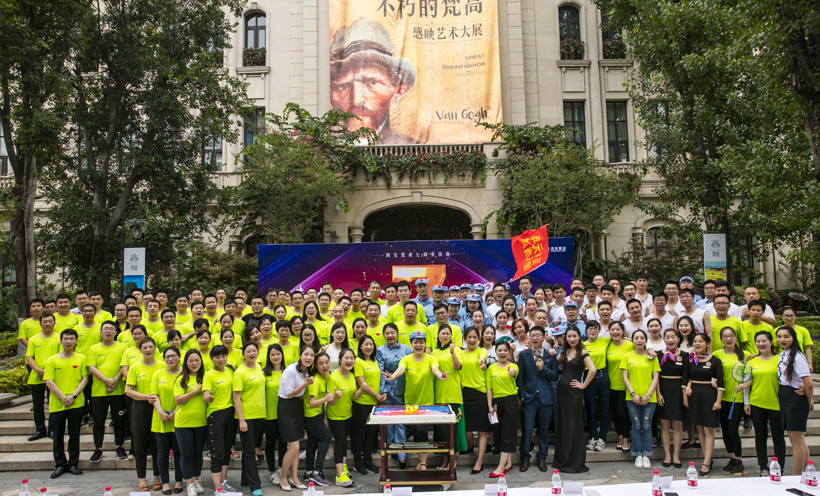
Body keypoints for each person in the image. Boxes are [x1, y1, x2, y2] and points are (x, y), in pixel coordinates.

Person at [383, 331, 449, 471]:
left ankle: (424, 464)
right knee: (415, 433)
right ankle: (420, 461)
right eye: (415, 342)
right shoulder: (406, 359)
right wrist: (393, 376)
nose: (418, 345)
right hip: (410, 403)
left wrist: (439, 375)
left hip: (426, 404)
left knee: (422, 432)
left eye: (421, 342)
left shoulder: (431, 358)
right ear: (411, 344)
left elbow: (435, 369)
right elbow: (401, 369)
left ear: (425, 344)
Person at [735, 330, 784, 477]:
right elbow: (746, 383)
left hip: (776, 404)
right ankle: (763, 467)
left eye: (764, 341)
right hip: (756, 403)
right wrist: (746, 403)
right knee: (760, 437)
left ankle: (779, 468)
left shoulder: (780, 360)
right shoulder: (752, 361)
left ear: (771, 342)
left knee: (778, 438)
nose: (761, 344)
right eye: (758, 341)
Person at [44, 328, 88, 479]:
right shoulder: (52, 360)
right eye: (66, 339)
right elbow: (49, 381)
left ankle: (73, 463)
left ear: (76, 341)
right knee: (58, 435)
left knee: (74, 434)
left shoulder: (81, 358)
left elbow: (84, 379)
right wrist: (64, 397)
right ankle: (60, 464)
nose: (68, 341)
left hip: (76, 402)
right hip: (57, 404)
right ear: (61, 340)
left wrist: (73, 396)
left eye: (71, 339)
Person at [516, 326, 559, 472]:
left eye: (538, 335)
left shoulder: (550, 355)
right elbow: (520, 377)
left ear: (543, 337)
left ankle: (542, 458)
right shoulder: (524, 355)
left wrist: (543, 368)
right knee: (527, 430)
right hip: (529, 398)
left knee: (544, 430)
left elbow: (554, 376)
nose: (534, 338)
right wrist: (522, 395)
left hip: (546, 398)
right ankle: (525, 458)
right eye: (532, 335)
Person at [553, 326, 594, 473]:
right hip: (562, 392)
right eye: (569, 336)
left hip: (574, 393)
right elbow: (554, 362)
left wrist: (583, 385)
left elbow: (593, 369)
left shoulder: (582, 352)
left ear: (579, 337)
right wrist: (552, 351)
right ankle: (563, 458)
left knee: (574, 424)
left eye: (574, 336)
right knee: (564, 423)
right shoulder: (565, 352)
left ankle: (574, 461)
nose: (572, 339)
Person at [125, 337, 163, 491]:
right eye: (145, 347)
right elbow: (129, 391)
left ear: (155, 348)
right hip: (140, 407)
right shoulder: (135, 367)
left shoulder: (162, 366)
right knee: (140, 445)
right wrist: (145, 397)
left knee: (157, 445)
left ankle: (157, 477)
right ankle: (142, 479)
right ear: (140, 350)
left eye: (151, 347)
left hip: (157, 407)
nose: (148, 350)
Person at [87, 320, 128, 462]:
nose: (108, 331)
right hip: (99, 392)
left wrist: (114, 381)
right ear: (100, 332)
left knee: (119, 420)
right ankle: (98, 448)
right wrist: (107, 381)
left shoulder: (122, 347)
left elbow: (124, 366)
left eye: (111, 329)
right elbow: (91, 368)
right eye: (105, 329)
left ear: (116, 332)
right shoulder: (94, 349)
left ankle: (119, 446)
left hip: (118, 390)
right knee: (99, 421)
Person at [684, 333, 723, 477]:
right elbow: (687, 378)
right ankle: (708, 458)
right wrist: (688, 389)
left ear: (707, 343)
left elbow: (721, 383)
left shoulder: (715, 361)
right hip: (695, 397)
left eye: (700, 341)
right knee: (700, 429)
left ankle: (706, 462)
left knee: (708, 430)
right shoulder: (690, 360)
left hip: (709, 397)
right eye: (695, 341)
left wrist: (718, 401)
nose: (697, 344)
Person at [620, 330, 661, 469]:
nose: (639, 340)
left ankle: (647, 454)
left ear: (645, 340)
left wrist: (648, 395)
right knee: (636, 425)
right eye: (636, 338)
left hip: (650, 398)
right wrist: (633, 394)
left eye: (641, 338)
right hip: (632, 397)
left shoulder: (652, 356)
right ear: (633, 340)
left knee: (647, 426)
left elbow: (656, 377)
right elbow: (625, 377)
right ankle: (637, 454)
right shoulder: (627, 356)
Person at [776, 326, 813, 475]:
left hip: (795, 397)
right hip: (785, 394)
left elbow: (808, 383)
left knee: (796, 441)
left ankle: (796, 477)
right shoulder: (783, 354)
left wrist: (809, 400)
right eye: (779, 336)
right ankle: (808, 472)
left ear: (793, 338)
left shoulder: (797, 357)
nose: (782, 340)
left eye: (786, 337)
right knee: (800, 440)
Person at [375, 324, 412, 469]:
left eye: (392, 332)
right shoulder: (380, 350)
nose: (390, 335)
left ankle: (402, 456)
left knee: (401, 422)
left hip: (402, 387)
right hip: (387, 389)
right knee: (389, 422)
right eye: (387, 333)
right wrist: (383, 390)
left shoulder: (406, 349)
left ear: (397, 333)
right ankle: (393, 448)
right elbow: (380, 371)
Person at [278, 346, 314, 491]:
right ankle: (283, 477)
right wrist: (305, 384)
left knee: (295, 446)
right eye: (306, 354)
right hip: (286, 407)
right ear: (300, 356)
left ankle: (294, 477)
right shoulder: (291, 370)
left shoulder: (307, 371)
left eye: (311, 355)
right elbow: (290, 393)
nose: (309, 357)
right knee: (294, 447)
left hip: (298, 407)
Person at [202, 345, 237, 493]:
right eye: (217, 357)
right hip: (215, 414)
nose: (221, 359)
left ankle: (223, 482)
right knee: (217, 452)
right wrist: (207, 398)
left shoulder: (230, 370)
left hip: (230, 414)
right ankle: (218, 488)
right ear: (212, 358)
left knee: (226, 450)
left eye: (223, 356)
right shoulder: (209, 374)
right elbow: (205, 396)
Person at [232, 342, 265, 496]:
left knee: (249, 449)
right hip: (246, 417)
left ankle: (245, 481)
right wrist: (241, 420)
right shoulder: (239, 372)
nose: (252, 353)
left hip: (259, 414)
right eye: (249, 351)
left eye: (254, 350)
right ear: (243, 354)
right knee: (250, 451)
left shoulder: (258, 367)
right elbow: (236, 398)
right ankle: (254, 485)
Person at [430, 325, 465, 469]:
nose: (445, 336)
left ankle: (452, 459)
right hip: (438, 396)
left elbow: (457, 367)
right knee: (441, 432)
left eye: (447, 334)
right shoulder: (434, 352)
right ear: (438, 336)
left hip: (453, 395)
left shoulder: (457, 350)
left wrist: (452, 352)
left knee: (452, 430)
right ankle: (444, 459)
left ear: (451, 336)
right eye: (442, 333)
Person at [173, 349, 208, 496]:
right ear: (186, 363)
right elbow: (178, 400)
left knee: (198, 453)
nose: (194, 363)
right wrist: (195, 391)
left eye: (197, 360)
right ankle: (189, 484)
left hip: (201, 422)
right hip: (183, 423)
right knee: (186, 454)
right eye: (191, 361)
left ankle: (196, 479)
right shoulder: (181, 379)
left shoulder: (206, 377)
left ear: (201, 361)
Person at [713, 327, 746, 474]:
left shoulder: (745, 355)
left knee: (733, 430)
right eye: (725, 336)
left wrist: (746, 385)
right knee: (725, 430)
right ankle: (731, 458)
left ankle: (739, 460)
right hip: (721, 398)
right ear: (721, 339)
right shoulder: (716, 354)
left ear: (736, 338)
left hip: (737, 399)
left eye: (731, 336)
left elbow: (752, 375)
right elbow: (711, 373)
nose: (729, 339)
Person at [151, 346, 184, 494]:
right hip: (161, 418)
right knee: (162, 452)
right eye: (167, 357)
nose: (171, 359)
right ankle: (165, 482)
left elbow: (186, 396)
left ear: (179, 357)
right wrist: (161, 412)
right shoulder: (158, 374)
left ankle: (178, 481)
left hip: (180, 418)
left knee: (178, 452)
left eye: (173, 356)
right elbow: (154, 395)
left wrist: (175, 413)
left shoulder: (184, 374)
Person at [26, 312, 62, 442]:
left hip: (54, 376)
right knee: (37, 404)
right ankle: (40, 429)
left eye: (50, 321)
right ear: (40, 323)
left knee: (53, 403)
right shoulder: (33, 339)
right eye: (45, 321)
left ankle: (52, 429)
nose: (48, 324)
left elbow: (61, 357)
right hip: (37, 376)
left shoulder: (59, 338)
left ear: (54, 323)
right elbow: (29, 357)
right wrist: (38, 370)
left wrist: (47, 373)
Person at [485, 341, 518, 478]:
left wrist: (512, 372)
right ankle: (508, 463)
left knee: (508, 432)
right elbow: (489, 388)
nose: (502, 353)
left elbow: (514, 372)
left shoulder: (513, 366)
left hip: (510, 400)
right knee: (498, 432)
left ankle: (500, 467)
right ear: (496, 352)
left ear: (509, 352)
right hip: (496, 403)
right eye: (500, 350)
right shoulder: (491, 368)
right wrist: (489, 405)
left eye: (505, 350)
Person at [351, 335, 383, 475]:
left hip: (373, 404)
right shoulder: (358, 362)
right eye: (366, 344)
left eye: (371, 344)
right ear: (360, 347)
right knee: (359, 434)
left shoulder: (375, 361)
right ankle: (358, 463)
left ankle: (368, 462)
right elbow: (362, 383)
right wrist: (376, 395)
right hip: (362, 403)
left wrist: (381, 394)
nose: (369, 347)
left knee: (370, 434)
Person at [460, 327, 490, 472]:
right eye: (469, 337)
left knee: (482, 430)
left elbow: (482, 358)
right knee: (466, 426)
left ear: (478, 339)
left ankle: (479, 461)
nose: (472, 340)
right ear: (465, 338)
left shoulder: (481, 351)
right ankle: (469, 446)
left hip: (479, 393)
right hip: (464, 393)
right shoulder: (460, 353)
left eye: (474, 337)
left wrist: (482, 363)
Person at [656, 327, 687, 469]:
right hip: (663, 390)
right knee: (665, 425)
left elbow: (686, 376)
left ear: (678, 339)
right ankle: (667, 454)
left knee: (677, 425)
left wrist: (685, 395)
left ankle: (676, 455)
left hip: (678, 391)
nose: (670, 340)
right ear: (664, 340)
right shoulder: (658, 355)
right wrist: (658, 394)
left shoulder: (685, 356)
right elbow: (655, 376)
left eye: (673, 337)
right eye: (667, 337)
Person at [327, 348, 357, 487]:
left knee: (344, 442)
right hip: (335, 415)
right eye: (346, 358)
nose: (349, 361)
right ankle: (339, 476)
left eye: (352, 358)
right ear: (340, 360)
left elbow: (353, 396)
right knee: (340, 442)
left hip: (348, 414)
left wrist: (362, 389)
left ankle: (343, 467)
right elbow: (330, 402)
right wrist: (335, 397)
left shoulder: (352, 375)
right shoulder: (333, 377)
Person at [303, 351, 334, 487]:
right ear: (316, 366)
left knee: (312, 442)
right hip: (311, 415)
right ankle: (317, 471)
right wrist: (326, 399)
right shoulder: (315, 381)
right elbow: (311, 403)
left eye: (327, 362)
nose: (325, 366)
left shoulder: (325, 378)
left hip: (314, 415)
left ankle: (308, 472)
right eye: (321, 364)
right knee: (326, 438)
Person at [261, 344, 287, 485]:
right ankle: (272, 471)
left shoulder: (287, 372)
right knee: (270, 443)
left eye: (278, 354)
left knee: (283, 443)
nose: (276, 357)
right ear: (268, 357)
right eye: (272, 354)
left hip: (284, 414)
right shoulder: (264, 373)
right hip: (269, 414)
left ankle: (281, 468)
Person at [606, 322, 634, 452]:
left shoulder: (630, 345)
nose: (615, 332)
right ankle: (620, 438)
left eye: (618, 329)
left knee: (622, 413)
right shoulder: (607, 345)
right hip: (611, 385)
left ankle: (626, 439)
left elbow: (642, 350)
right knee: (615, 414)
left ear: (623, 331)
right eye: (613, 329)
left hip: (626, 385)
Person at [583, 320, 610, 452]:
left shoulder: (604, 341)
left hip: (603, 375)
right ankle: (593, 436)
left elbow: (622, 338)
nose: (593, 331)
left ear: (599, 330)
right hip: (589, 377)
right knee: (591, 410)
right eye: (590, 328)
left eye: (595, 328)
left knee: (604, 411)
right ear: (586, 330)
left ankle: (602, 438)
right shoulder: (582, 345)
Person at [777, 306, 813, 371]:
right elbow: (774, 348)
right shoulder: (777, 330)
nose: (789, 318)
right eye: (786, 316)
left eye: (791, 316)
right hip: (782, 361)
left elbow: (807, 348)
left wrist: (809, 363)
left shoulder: (803, 330)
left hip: (798, 361)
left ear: (795, 316)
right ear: (781, 317)